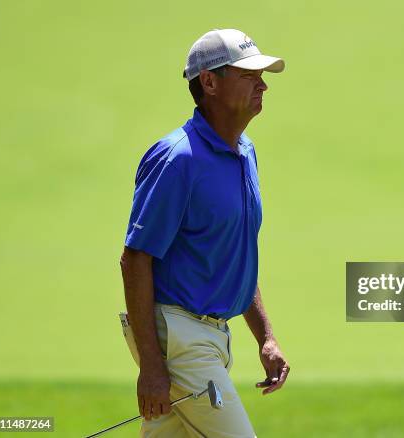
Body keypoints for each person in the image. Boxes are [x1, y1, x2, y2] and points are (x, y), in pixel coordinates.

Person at [119, 28, 289, 437]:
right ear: (209, 82)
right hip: (180, 342)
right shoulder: (177, 159)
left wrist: (265, 336)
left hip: (211, 338)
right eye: (248, 76)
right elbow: (135, 258)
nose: (263, 84)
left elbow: (235, 253)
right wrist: (152, 366)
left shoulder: (244, 153)